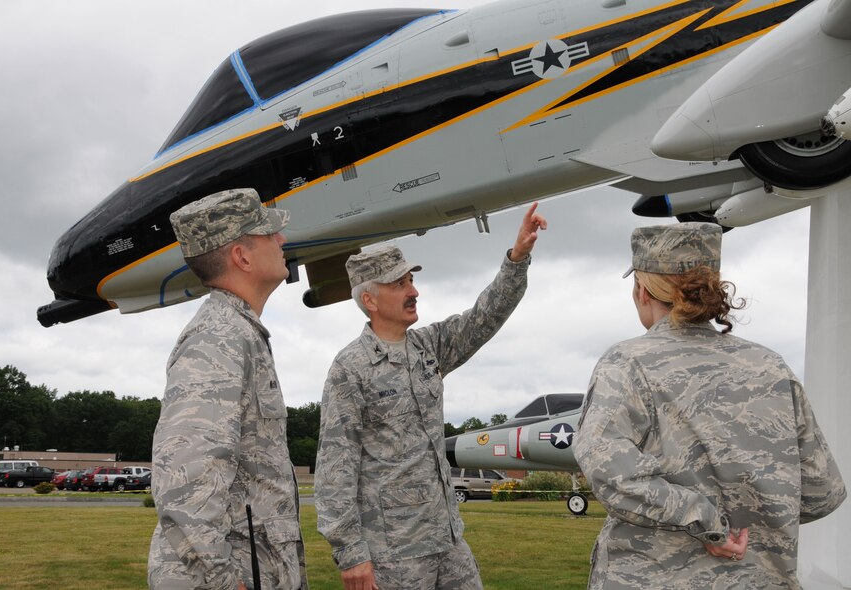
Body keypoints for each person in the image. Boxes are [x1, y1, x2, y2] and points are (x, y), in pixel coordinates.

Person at [574, 222, 846, 590]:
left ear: (642, 290)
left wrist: (708, 522)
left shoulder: (628, 363)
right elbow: (821, 493)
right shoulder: (771, 366)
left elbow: (610, 472)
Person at [314, 203, 547, 590]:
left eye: (410, 280)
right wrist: (350, 552)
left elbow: (483, 318)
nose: (414, 291)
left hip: (448, 539)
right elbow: (335, 468)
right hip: (393, 552)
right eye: (399, 284)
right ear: (370, 300)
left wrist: (517, 257)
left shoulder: (428, 347)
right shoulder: (350, 368)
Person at [148, 188, 308, 590]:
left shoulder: (237, 331)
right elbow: (185, 478)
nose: (282, 240)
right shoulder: (217, 337)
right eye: (270, 233)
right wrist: (222, 581)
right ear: (242, 256)